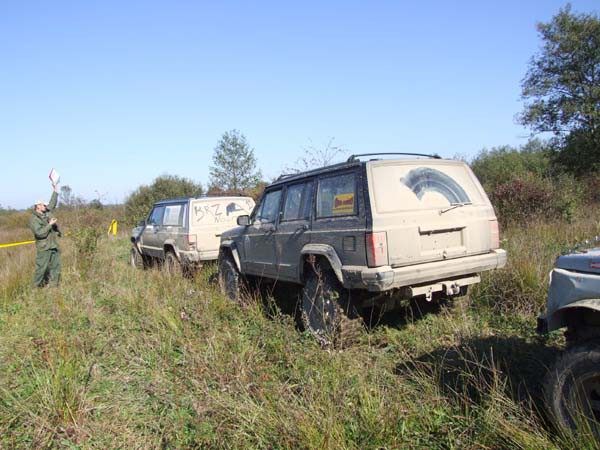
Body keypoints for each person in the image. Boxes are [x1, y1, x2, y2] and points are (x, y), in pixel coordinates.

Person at [30, 182, 61, 287]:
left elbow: (52, 203)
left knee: (56, 266)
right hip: (44, 247)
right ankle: (34, 289)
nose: (45, 206)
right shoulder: (33, 219)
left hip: (53, 245)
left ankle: (54, 286)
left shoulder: (46, 212)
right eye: (43, 204)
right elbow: (39, 233)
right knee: (41, 269)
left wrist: (55, 190)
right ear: (38, 206)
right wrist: (49, 224)